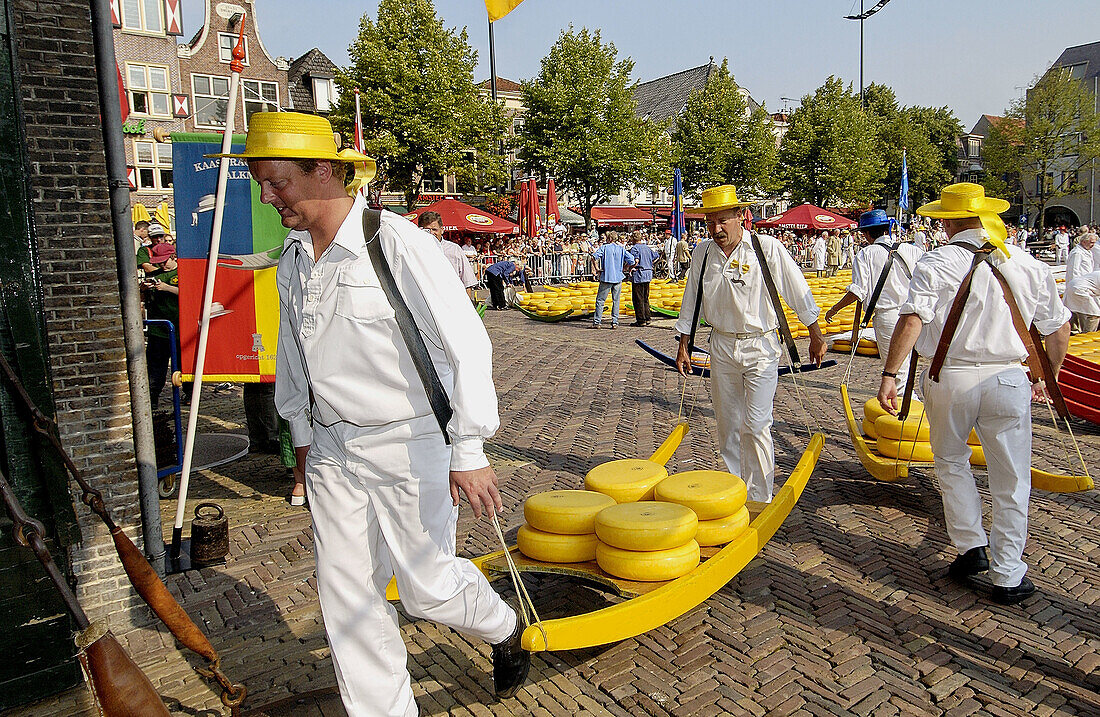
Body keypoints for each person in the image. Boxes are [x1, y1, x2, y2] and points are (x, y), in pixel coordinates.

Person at [224, 112, 528, 715]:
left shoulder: (394, 243)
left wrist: (468, 451)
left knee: (427, 589)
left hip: (409, 442)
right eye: (260, 181)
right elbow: (295, 350)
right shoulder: (292, 257)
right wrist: (303, 433)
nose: (266, 196)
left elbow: (467, 344)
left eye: (277, 181)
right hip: (334, 449)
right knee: (348, 598)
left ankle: (499, 621)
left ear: (325, 173)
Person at [877, 183, 1070, 605]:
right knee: (1012, 476)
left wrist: (890, 373)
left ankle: (970, 548)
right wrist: (1044, 378)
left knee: (950, 461)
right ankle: (1008, 573)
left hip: (952, 377)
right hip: (1008, 378)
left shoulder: (938, 261)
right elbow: (1058, 329)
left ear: (946, 221)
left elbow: (911, 319)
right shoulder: (1024, 261)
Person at [675, 185, 826, 503]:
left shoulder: (765, 248)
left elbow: (797, 289)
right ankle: (734, 491)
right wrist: (684, 343)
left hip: (760, 347)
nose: (716, 229)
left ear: (741, 217)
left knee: (756, 424)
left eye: (723, 221)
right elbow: (692, 299)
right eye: (710, 222)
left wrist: (815, 333)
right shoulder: (703, 253)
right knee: (728, 424)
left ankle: (760, 498)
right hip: (721, 347)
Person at [823, 210, 924, 390]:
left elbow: (857, 292)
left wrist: (834, 309)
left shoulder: (866, 254)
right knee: (906, 369)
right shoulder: (911, 250)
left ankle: (901, 413)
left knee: (896, 373)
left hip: (888, 317)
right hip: (914, 315)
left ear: (867, 233)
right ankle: (905, 407)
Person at [143, 242, 179, 407]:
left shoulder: (183, 272)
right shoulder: (154, 274)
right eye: (159, 262)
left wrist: (167, 288)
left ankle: (189, 396)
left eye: (164, 261)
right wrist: (143, 288)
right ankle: (152, 399)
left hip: (179, 329)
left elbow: (191, 292)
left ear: (173, 256)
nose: (161, 265)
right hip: (158, 330)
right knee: (155, 369)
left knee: (183, 367)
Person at [418, 211, 478, 301]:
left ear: (442, 230)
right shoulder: (415, 250)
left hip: (452, 299)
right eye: (427, 230)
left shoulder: (454, 249)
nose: (431, 233)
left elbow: (467, 281)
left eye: (434, 230)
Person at [591, 232, 635, 329]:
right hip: (618, 277)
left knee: (600, 300)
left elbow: (593, 257)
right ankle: (615, 322)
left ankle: (597, 322)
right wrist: (625, 267)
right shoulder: (621, 249)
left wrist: (597, 268)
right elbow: (632, 260)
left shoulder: (605, 248)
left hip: (606, 276)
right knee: (616, 300)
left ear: (609, 239)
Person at [1065, 231, 1099, 332]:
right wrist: (1074, 284)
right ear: (1084, 242)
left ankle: (1077, 330)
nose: (1093, 245)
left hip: (1085, 284)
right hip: (1078, 285)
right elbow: (1073, 270)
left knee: (1080, 310)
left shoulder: (1087, 251)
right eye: (1091, 242)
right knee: (1092, 312)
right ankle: (1086, 332)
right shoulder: (1077, 253)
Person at [628, 231, 657, 326]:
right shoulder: (647, 248)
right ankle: (647, 317)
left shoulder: (635, 248)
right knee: (645, 297)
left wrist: (630, 267)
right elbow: (656, 256)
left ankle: (641, 319)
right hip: (648, 273)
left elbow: (635, 260)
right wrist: (650, 263)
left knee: (638, 298)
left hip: (639, 274)